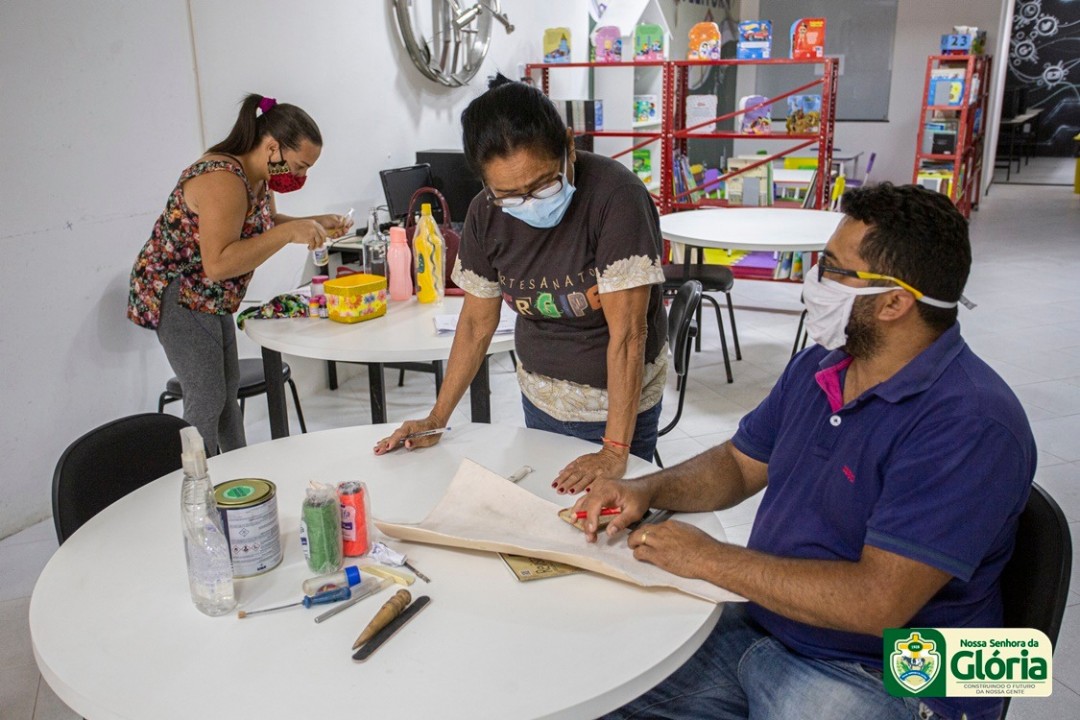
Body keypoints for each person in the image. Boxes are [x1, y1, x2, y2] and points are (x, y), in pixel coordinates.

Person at [575, 183, 1036, 720]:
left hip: (894, 674)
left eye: (833, 270)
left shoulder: (971, 423)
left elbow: (876, 603)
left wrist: (708, 559)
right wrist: (644, 488)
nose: (812, 282)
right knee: (602, 685)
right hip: (771, 621)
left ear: (894, 302)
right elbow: (738, 464)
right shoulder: (822, 364)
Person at [374, 75, 668, 493]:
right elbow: (476, 325)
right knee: (548, 511)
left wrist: (615, 450)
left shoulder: (615, 197)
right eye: (509, 195)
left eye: (544, 184)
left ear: (568, 146)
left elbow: (628, 335)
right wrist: (437, 418)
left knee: (606, 525)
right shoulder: (484, 214)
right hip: (541, 396)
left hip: (618, 408)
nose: (529, 203)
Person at [128, 93, 349, 454]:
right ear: (273, 147)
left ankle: (236, 476)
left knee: (226, 392)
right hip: (179, 293)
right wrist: (287, 234)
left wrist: (311, 222)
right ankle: (194, 486)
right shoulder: (222, 179)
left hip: (210, 296)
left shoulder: (259, 177)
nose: (301, 176)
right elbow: (217, 263)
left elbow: (263, 224)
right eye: (298, 165)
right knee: (207, 397)